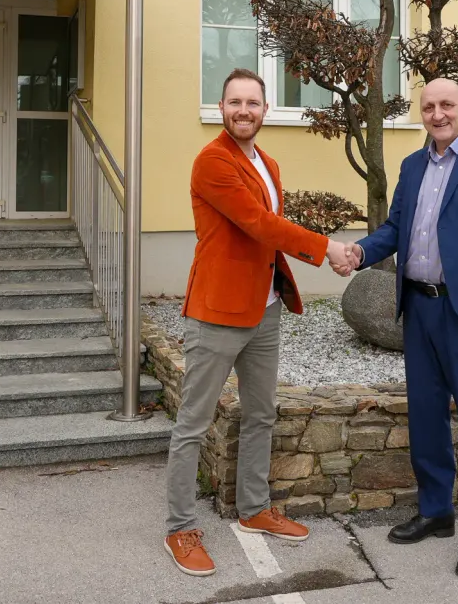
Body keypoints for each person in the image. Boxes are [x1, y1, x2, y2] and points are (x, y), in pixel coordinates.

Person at [164, 67, 358, 577]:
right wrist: (328, 248)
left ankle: (253, 510)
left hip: (264, 310)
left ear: (265, 109)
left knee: (261, 414)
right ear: (221, 108)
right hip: (217, 313)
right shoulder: (212, 162)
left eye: (252, 102)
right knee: (193, 423)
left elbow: (267, 237)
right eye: (234, 103)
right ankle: (180, 526)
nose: (243, 111)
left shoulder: (267, 162)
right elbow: (257, 223)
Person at [345, 78, 458, 579]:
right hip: (420, 309)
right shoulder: (412, 165)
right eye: (428, 106)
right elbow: (396, 228)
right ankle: (437, 510)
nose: (438, 113)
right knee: (426, 416)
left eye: (446, 104)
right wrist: (363, 252)